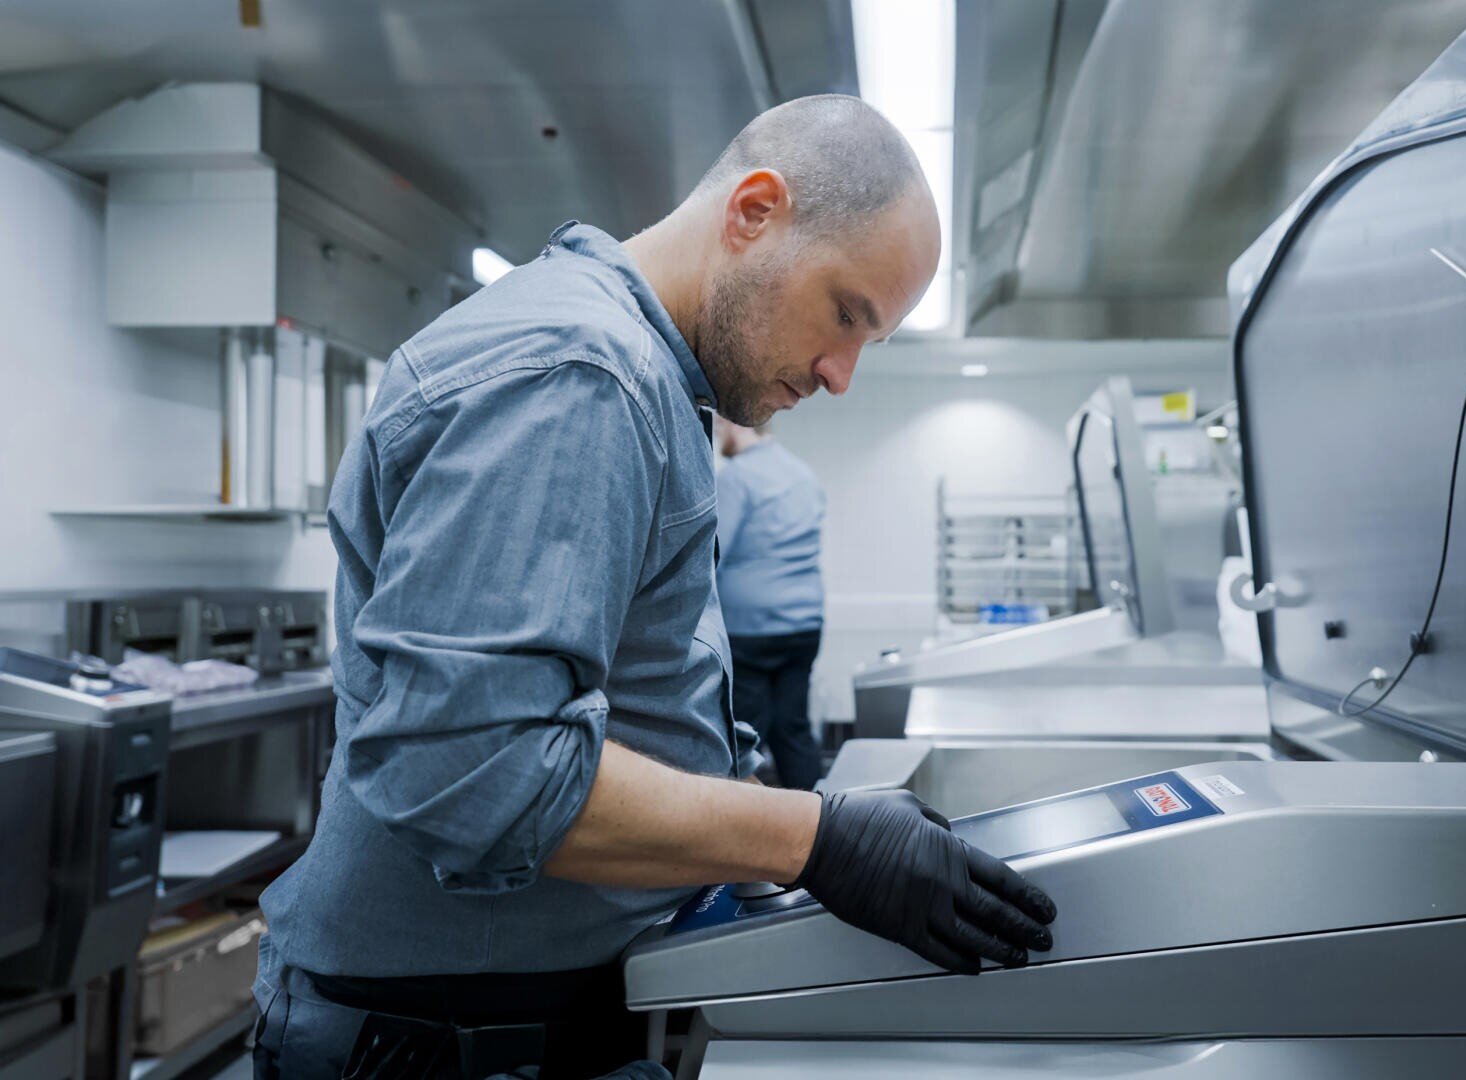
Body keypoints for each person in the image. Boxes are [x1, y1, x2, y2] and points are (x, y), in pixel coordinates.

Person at [252, 94, 1056, 1080]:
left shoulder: (650, 379)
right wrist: (813, 839)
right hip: (440, 1039)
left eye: (870, 340)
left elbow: (636, 692)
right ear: (754, 211)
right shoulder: (578, 372)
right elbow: (478, 765)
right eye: (845, 313)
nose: (841, 372)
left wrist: (775, 818)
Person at [715, 417, 827, 790]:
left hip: (750, 631)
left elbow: (712, 553)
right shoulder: (802, 473)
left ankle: (743, 818)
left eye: (719, 429)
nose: (718, 438)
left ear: (734, 425)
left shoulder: (735, 478)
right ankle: (818, 815)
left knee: (744, 734)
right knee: (793, 728)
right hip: (804, 625)